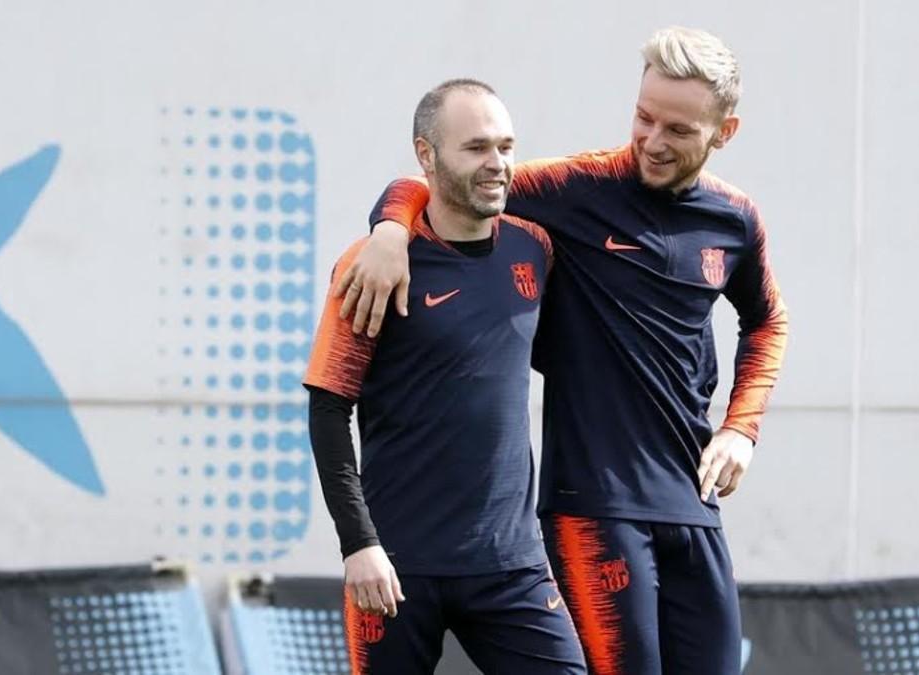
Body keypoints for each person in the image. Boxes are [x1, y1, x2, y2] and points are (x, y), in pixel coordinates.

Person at [338, 27, 789, 674]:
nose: (653, 142)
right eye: (644, 117)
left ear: (725, 131)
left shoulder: (734, 219)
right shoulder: (576, 187)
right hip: (591, 505)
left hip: (694, 501)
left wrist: (742, 427)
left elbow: (768, 320)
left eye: (679, 131)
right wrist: (388, 226)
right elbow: (444, 179)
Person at [304, 78, 585, 674]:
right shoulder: (370, 265)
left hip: (511, 562)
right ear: (426, 155)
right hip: (395, 564)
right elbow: (329, 410)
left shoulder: (533, 246)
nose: (498, 164)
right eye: (477, 147)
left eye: (506, 146)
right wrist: (358, 544)